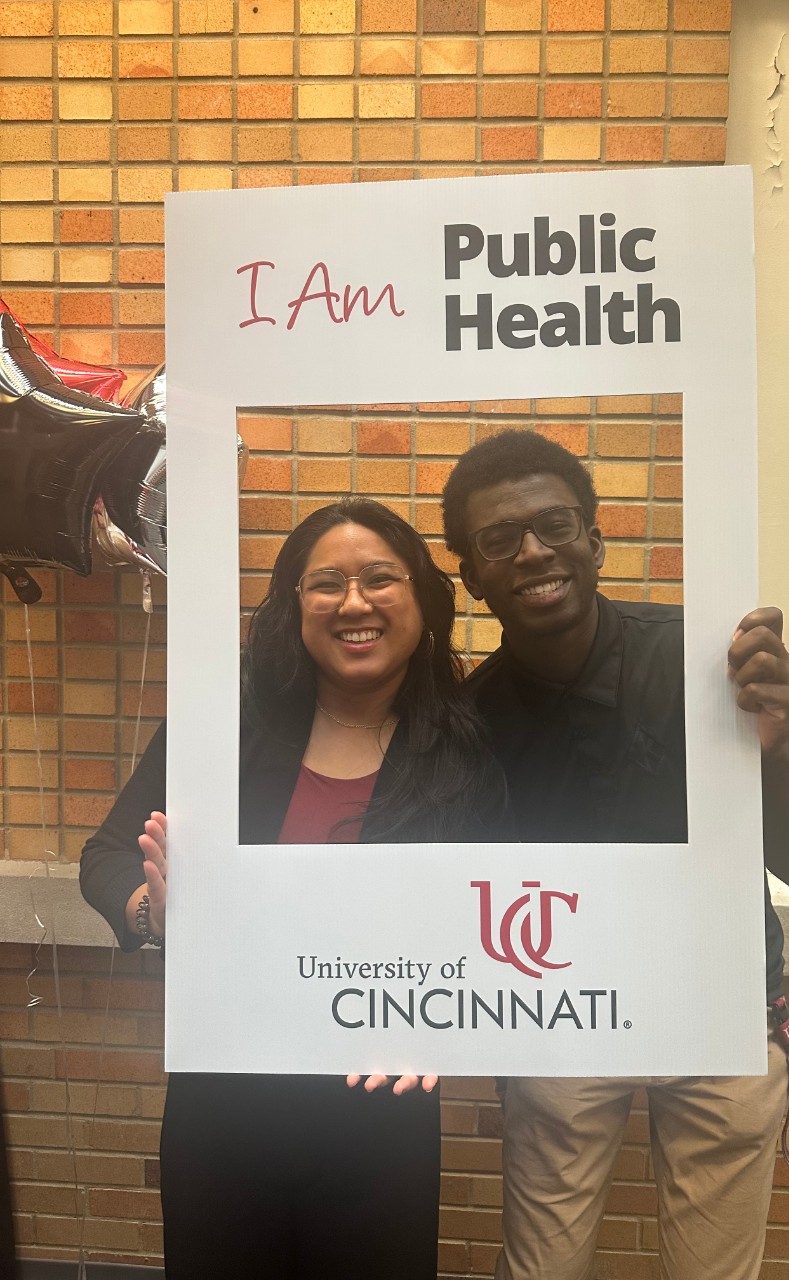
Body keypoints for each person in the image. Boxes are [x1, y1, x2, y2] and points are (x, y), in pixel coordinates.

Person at [441, 430, 789, 1280]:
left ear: (594, 538)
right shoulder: (467, 721)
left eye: (555, 524)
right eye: (497, 540)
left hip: (722, 1016)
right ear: (470, 575)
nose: (532, 551)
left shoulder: (717, 669)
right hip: (561, 1029)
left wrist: (769, 749)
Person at [80, 497, 511, 1280]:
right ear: (294, 606)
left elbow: (494, 920)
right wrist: (155, 912)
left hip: (382, 1108)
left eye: (381, 578)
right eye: (326, 584)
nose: (354, 602)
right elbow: (108, 854)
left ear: (423, 599)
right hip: (225, 1102)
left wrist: (459, 1019)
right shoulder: (227, 723)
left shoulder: (469, 750)